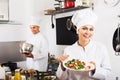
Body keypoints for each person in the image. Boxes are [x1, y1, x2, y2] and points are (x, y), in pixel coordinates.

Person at [56, 9, 111, 80]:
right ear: (77, 30)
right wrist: (62, 66)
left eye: (91, 29)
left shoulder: (101, 48)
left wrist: (95, 69)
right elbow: (60, 77)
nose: (88, 32)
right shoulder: (68, 50)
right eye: (84, 28)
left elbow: (108, 75)